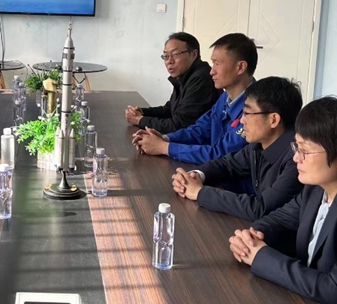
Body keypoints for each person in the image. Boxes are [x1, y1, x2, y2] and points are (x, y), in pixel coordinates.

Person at [228, 97, 337, 304]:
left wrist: (260, 256)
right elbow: (281, 218)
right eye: (296, 147)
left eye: (305, 151)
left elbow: (336, 290)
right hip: (305, 303)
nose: (295, 158)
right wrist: (253, 236)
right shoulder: (315, 188)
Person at [172, 77, 303, 221]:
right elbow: (227, 164)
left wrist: (199, 193)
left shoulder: (297, 158)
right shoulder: (259, 144)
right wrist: (195, 176)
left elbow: (261, 208)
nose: (241, 120)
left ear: (273, 120)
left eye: (247, 113)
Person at [133, 32, 257, 165]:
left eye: (217, 64)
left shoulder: (256, 109)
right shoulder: (226, 98)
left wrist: (164, 147)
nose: (212, 71)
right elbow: (200, 129)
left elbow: (220, 154)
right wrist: (165, 138)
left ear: (240, 67)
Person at [125, 32, 219, 133]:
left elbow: (178, 125)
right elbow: (170, 109)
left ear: (193, 54)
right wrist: (142, 112)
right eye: (166, 56)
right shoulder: (185, 76)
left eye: (175, 54)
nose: (169, 61)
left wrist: (140, 120)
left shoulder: (201, 78)